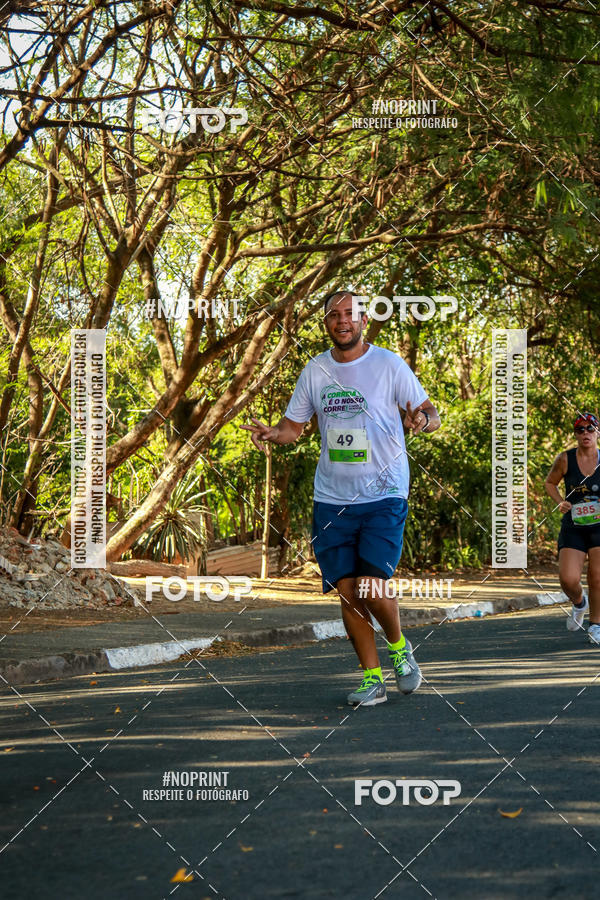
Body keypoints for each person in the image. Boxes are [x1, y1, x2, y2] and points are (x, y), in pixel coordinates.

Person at [241, 290, 441, 705]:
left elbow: (431, 413)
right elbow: (292, 428)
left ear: (363, 320)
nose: (342, 321)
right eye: (334, 315)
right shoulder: (315, 371)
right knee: (348, 591)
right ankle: (372, 679)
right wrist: (272, 435)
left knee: (370, 584)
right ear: (326, 323)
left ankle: (400, 649)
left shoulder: (388, 364)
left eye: (350, 314)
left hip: (384, 493)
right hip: (332, 499)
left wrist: (420, 419)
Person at [544, 412, 600, 644]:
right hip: (574, 527)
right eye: (580, 430)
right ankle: (579, 603)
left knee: (597, 577)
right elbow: (550, 483)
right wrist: (560, 501)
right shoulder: (565, 459)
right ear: (576, 434)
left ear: (597, 432)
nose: (585, 433)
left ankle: (596, 625)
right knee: (568, 579)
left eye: (590, 428)